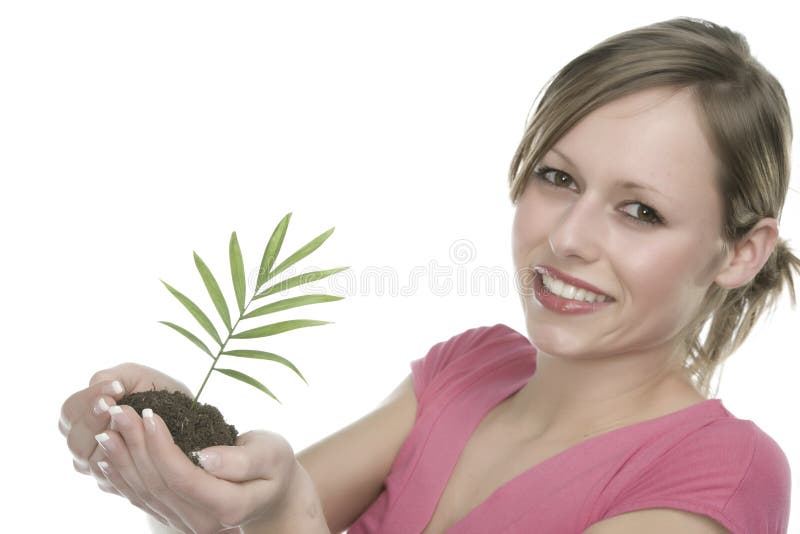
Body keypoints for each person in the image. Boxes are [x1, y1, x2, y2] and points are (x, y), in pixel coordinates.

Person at [60, 16, 798, 534]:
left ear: (741, 251)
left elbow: (283, 516)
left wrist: (281, 514)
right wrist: (174, 462)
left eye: (639, 211)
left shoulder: (721, 474)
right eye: (557, 177)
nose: (568, 237)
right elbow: (240, 516)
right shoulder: (466, 370)